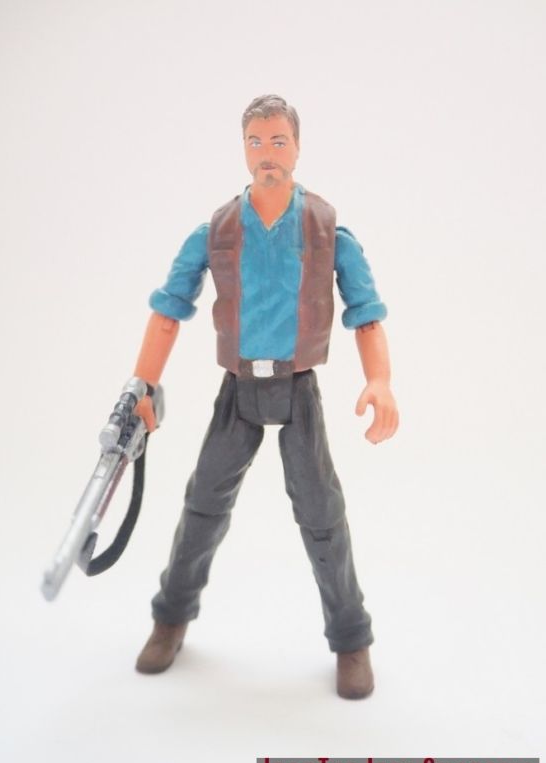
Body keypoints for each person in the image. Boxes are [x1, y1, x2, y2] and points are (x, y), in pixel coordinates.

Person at [131, 95, 399, 699]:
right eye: (256, 141)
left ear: (297, 147)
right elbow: (168, 312)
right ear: (243, 149)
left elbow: (367, 315)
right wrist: (142, 386)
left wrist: (379, 380)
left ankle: (350, 638)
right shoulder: (217, 230)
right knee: (203, 505)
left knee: (322, 515)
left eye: (279, 140)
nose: (267, 153)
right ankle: (171, 616)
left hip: (298, 388)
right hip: (239, 389)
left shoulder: (327, 229)